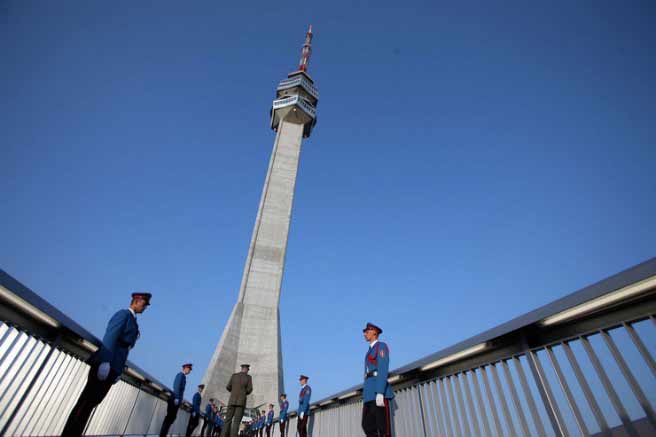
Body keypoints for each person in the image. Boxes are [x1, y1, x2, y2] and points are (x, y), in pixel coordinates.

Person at [61, 292, 151, 437]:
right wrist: (105, 361)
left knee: (92, 403)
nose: (145, 307)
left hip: (114, 368)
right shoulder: (123, 315)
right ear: (136, 300)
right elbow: (111, 336)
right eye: (144, 303)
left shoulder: (133, 320)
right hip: (106, 365)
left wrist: (118, 370)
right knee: (85, 404)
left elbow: (125, 349)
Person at [361, 322, 394, 437]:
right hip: (369, 394)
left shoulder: (381, 347)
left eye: (367, 331)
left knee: (383, 429)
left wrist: (380, 392)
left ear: (374, 333)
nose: (364, 334)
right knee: (367, 426)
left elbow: (383, 369)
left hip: (377, 392)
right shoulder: (370, 350)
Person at [160, 363, 193, 437]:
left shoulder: (183, 376)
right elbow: (176, 386)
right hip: (174, 400)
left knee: (171, 418)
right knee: (169, 418)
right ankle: (162, 435)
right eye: (189, 369)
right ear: (185, 368)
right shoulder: (180, 375)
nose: (190, 371)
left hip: (176, 401)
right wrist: (177, 398)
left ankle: (163, 434)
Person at [221, 363, 253, 437]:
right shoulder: (248, 377)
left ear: (241, 369)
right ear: (247, 369)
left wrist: (233, 393)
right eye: (248, 370)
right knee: (236, 422)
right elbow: (250, 389)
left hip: (232, 401)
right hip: (241, 402)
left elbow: (228, 387)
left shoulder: (234, 376)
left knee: (227, 420)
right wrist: (244, 393)